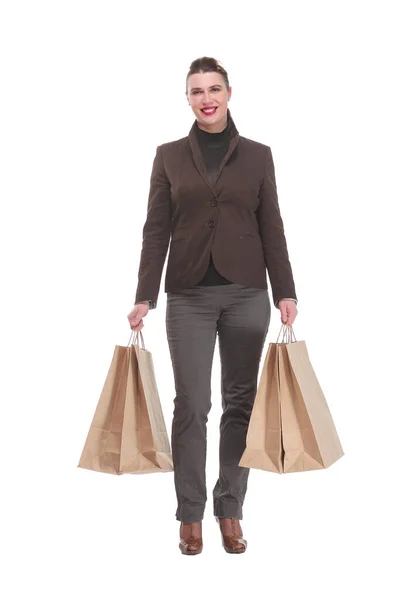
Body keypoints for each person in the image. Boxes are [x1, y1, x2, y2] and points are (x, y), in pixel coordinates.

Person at [127, 56, 298, 555]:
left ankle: (230, 509)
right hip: (189, 295)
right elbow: (155, 229)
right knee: (193, 405)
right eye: (197, 90)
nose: (207, 98)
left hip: (248, 292)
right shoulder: (169, 155)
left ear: (228, 93)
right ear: (187, 98)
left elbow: (273, 227)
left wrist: (285, 290)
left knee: (240, 404)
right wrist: (144, 295)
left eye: (214, 88)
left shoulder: (259, 155)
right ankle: (189, 514)